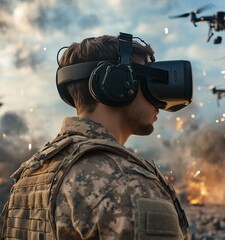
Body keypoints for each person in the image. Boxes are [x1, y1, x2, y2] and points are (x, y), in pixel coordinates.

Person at [1, 32, 192, 239]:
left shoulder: (30, 175)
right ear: (117, 84)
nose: (159, 99)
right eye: (149, 81)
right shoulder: (125, 182)